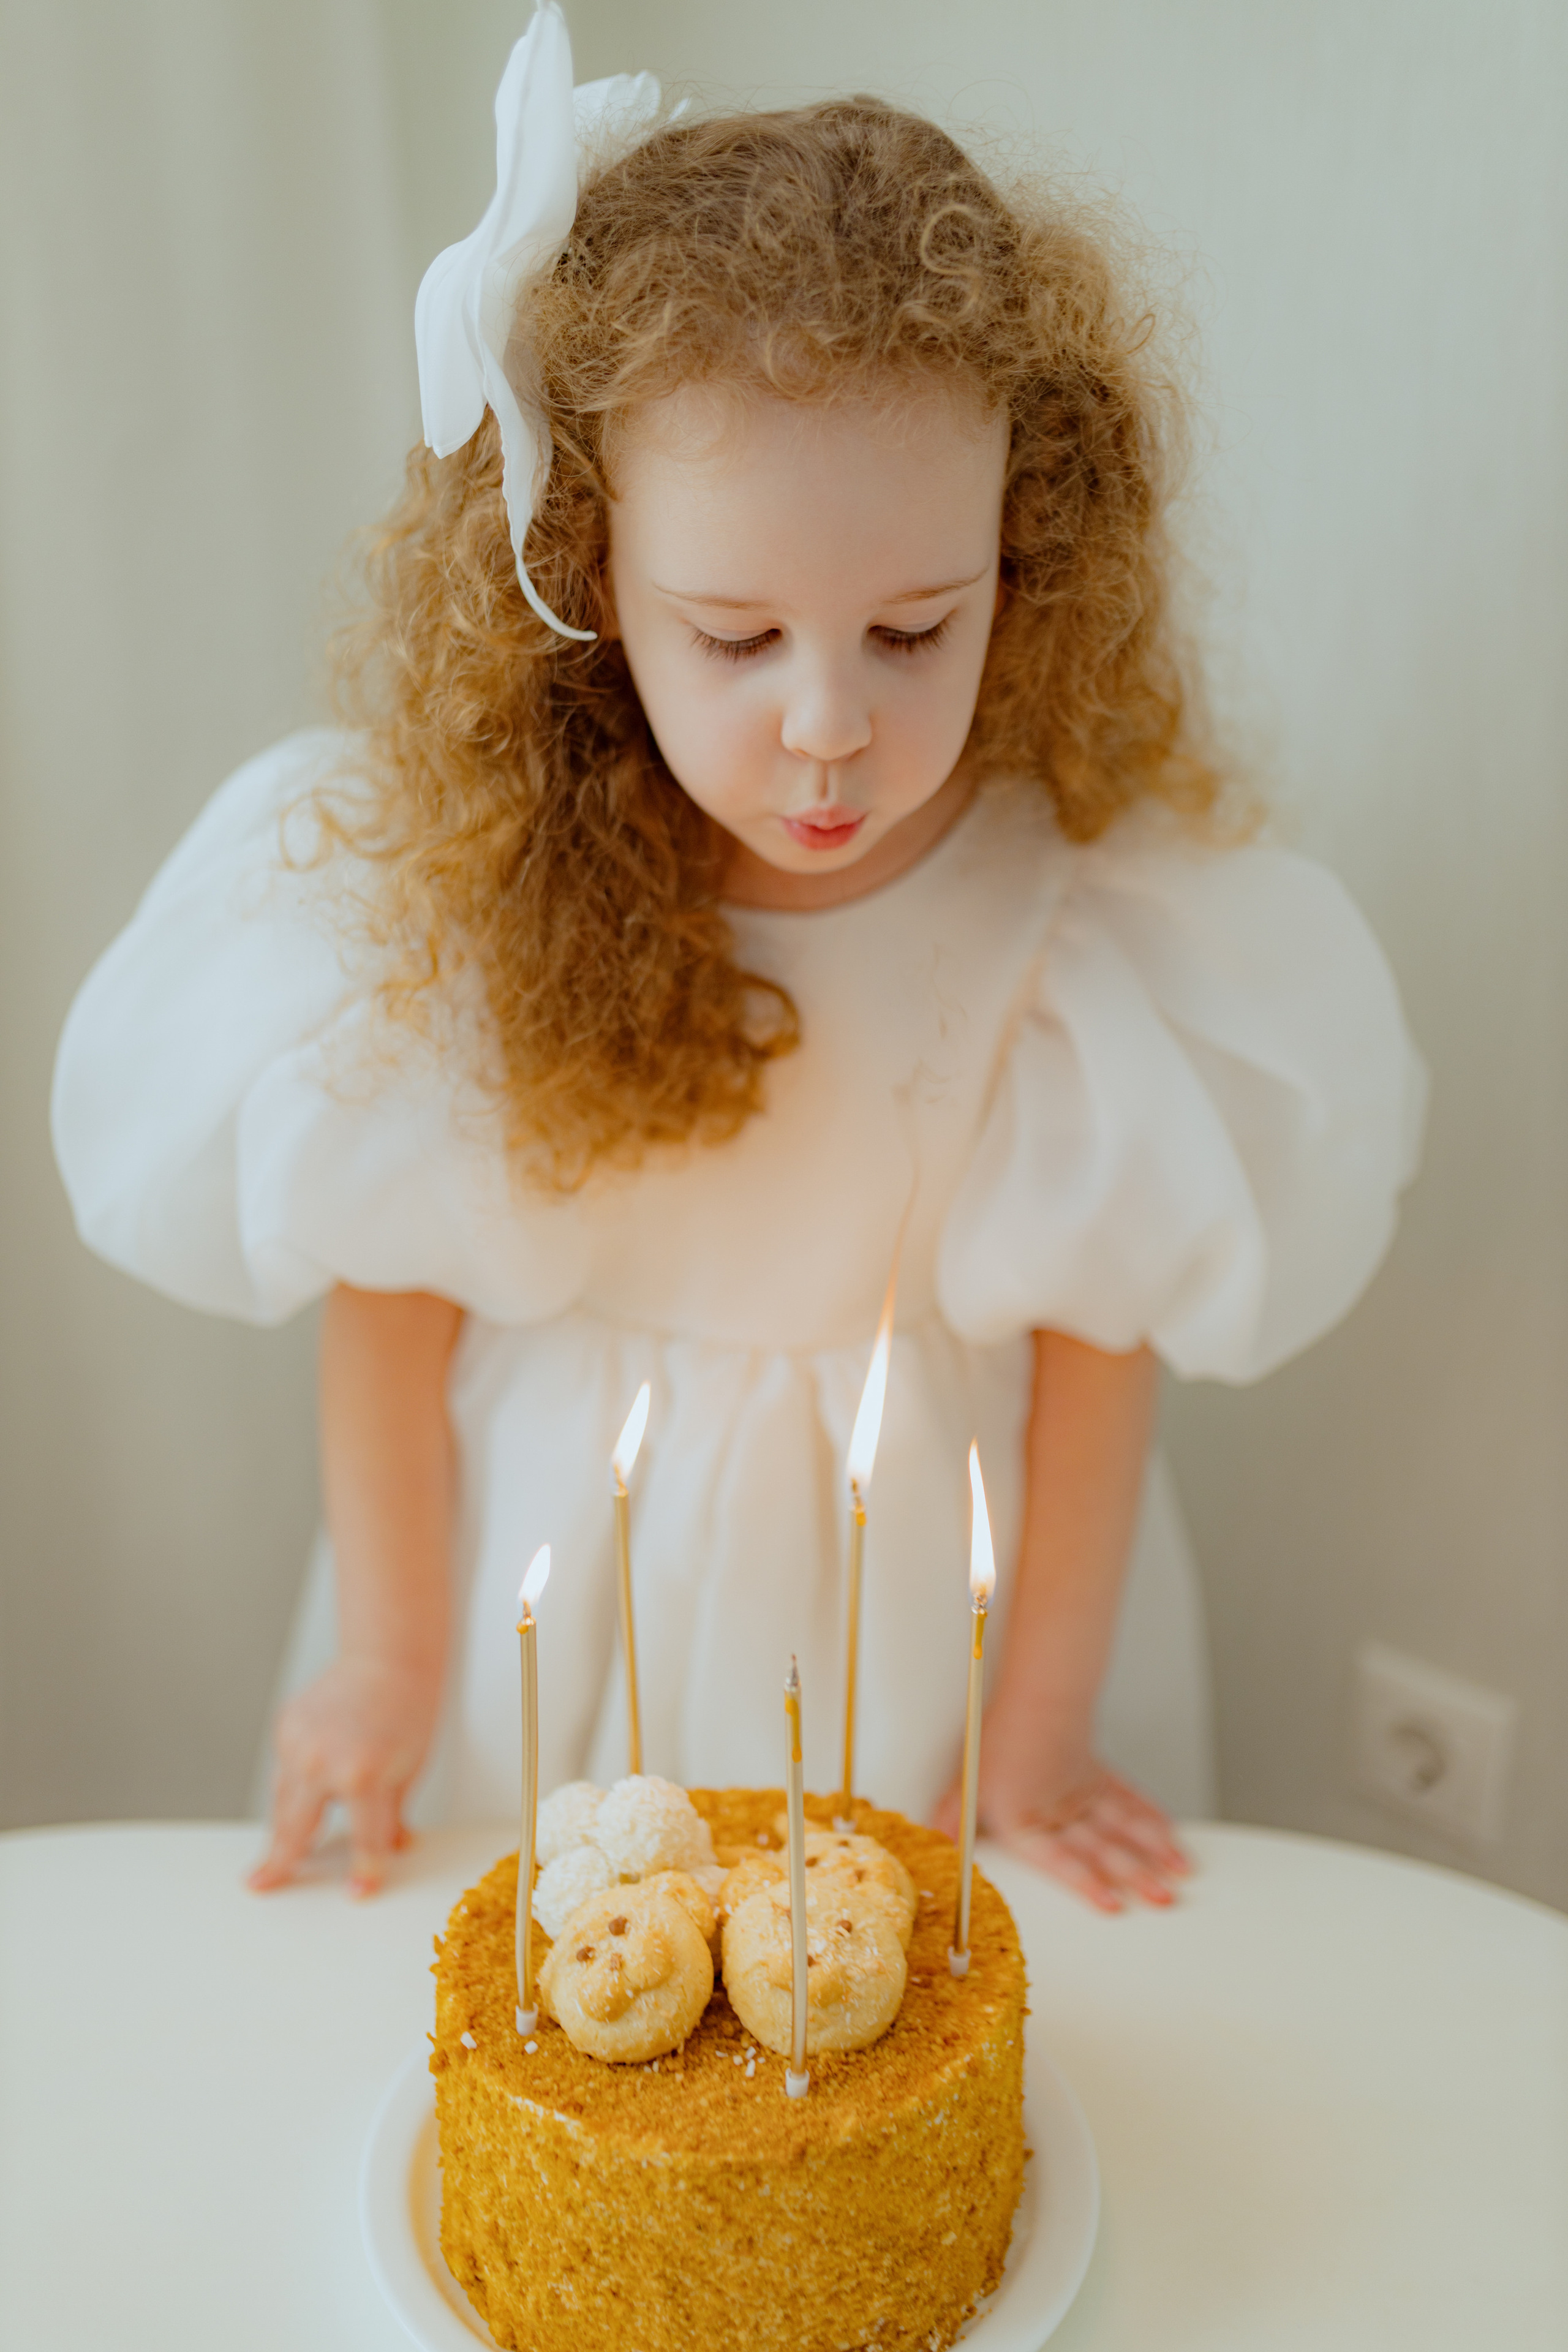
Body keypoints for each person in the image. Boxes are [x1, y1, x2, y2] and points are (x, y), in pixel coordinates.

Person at [52, 6, 1422, 1916]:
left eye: (913, 631)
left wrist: (1038, 1725)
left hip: (920, 1625)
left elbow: (1098, 1366)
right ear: (587, 573)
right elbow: (393, 1311)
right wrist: (388, 1659)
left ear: (1020, 561)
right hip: (543, 1584)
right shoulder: (468, 892)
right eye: (735, 637)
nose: (831, 725)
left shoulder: (1080, 932)